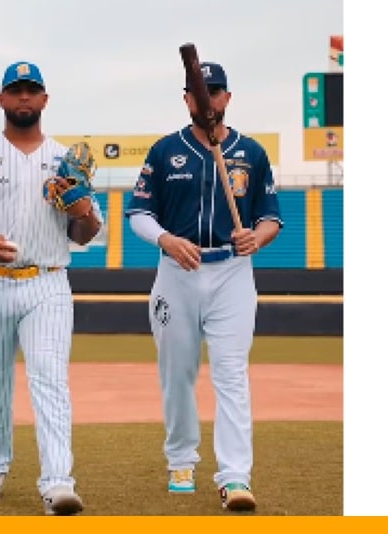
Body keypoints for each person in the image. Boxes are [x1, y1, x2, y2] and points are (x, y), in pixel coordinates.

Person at [0, 61, 103, 516]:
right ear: (2, 99)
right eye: (16, 91)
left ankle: (58, 482)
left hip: (47, 281)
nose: (24, 98)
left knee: (49, 377)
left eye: (32, 91)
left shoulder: (66, 160)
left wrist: (83, 208)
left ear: (45, 100)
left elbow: (85, 235)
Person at [123, 61, 283, 512]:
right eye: (199, 92)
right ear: (187, 99)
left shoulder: (250, 152)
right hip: (178, 271)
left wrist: (257, 236)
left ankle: (235, 477)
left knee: (232, 374)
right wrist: (167, 240)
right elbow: (137, 213)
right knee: (178, 372)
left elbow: (270, 217)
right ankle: (180, 459)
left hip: (232, 271)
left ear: (226, 98)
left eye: (215, 92)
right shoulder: (163, 151)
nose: (207, 99)